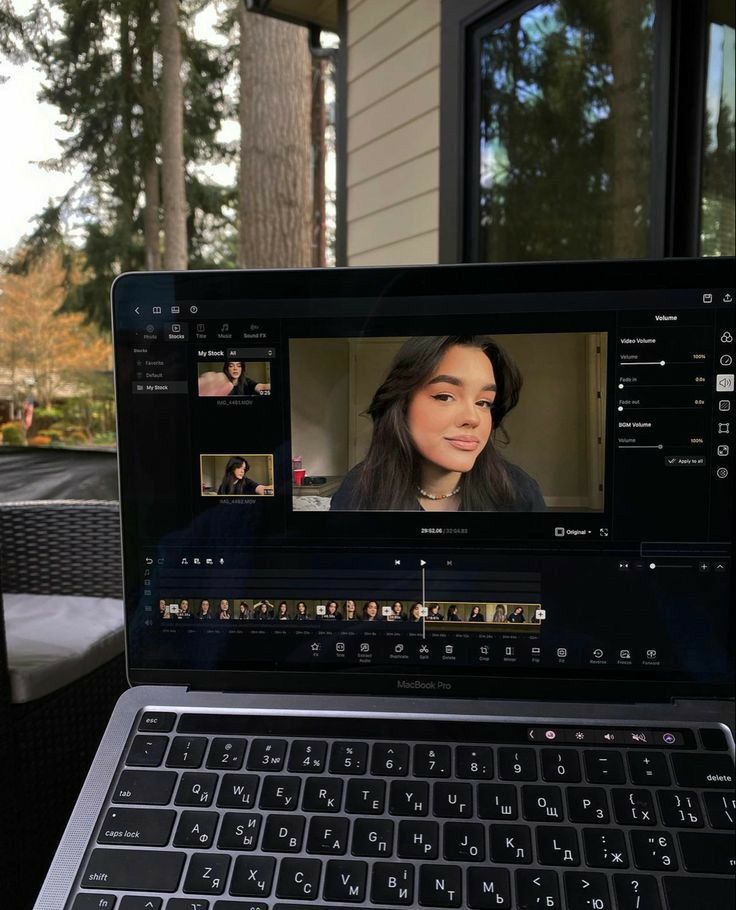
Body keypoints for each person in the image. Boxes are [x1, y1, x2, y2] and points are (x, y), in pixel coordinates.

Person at [330, 335, 545, 512]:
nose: (473, 418)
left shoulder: (520, 493)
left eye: (483, 402)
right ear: (402, 404)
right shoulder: (357, 490)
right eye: (444, 396)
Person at [198, 361, 270, 396]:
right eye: (231, 366)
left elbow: (262, 387)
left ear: (242, 369)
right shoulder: (221, 382)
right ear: (227, 368)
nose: (235, 368)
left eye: (238, 366)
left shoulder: (247, 382)